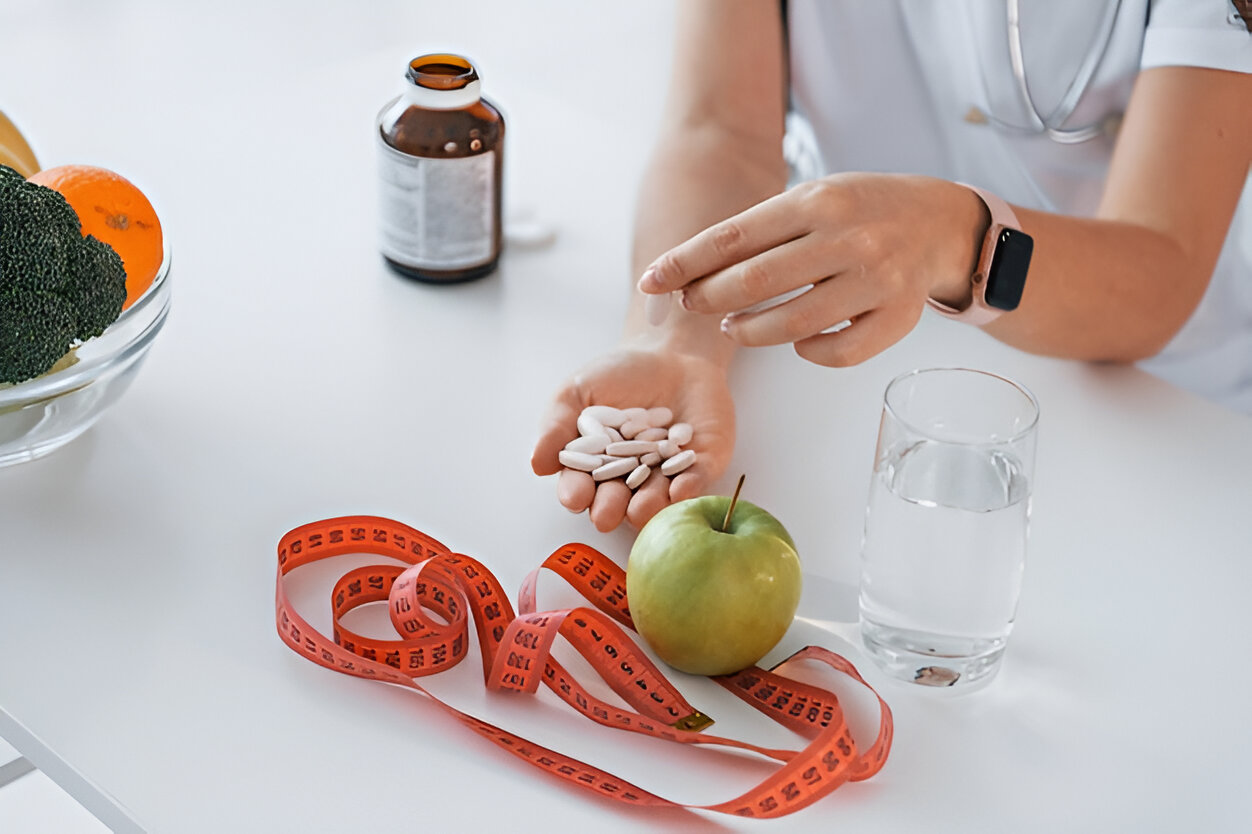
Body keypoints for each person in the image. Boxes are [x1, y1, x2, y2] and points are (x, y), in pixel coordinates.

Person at [531, 0, 1252, 533]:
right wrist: (673, 337)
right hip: (873, 367)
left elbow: (1163, 263)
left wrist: (955, 238)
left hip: (1163, 414)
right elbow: (722, 129)